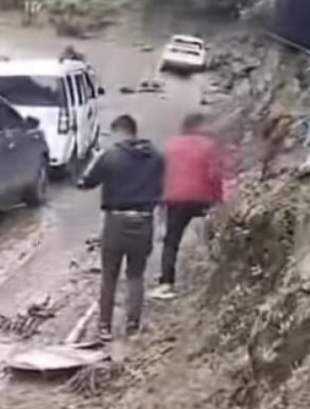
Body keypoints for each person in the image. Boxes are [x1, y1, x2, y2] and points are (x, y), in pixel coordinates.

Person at [77, 114, 164, 341]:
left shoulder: (110, 156)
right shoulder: (156, 157)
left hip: (116, 222)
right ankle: (133, 325)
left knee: (109, 276)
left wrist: (94, 160)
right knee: (136, 275)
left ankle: (104, 327)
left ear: (119, 132)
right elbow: (164, 188)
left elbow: (85, 183)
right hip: (144, 221)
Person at [152, 112, 224, 299]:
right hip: (202, 198)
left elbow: (160, 176)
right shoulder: (209, 146)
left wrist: (160, 201)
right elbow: (215, 175)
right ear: (201, 126)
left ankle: (167, 283)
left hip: (175, 200)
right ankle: (214, 269)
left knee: (171, 242)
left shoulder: (170, 146)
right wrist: (219, 200)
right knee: (212, 234)